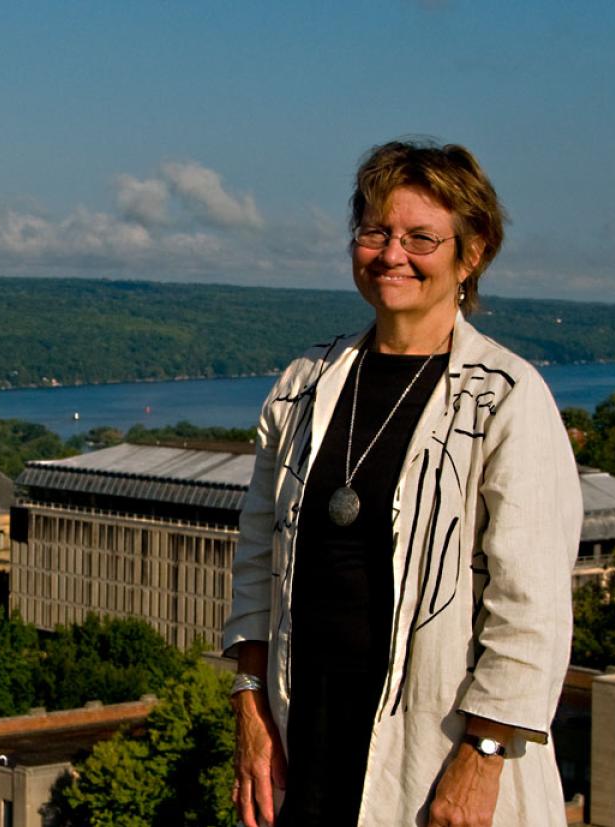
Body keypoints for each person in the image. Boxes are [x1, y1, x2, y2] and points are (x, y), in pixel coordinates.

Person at [223, 139, 581, 827]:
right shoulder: (305, 386)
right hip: (310, 740)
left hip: (436, 752)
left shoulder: (505, 399)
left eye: (422, 237)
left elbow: (529, 606)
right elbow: (257, 560)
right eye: (376, 232)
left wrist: (481, 757)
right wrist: (250, 702)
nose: (393, 254)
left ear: (470, 253)